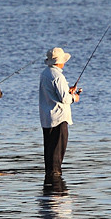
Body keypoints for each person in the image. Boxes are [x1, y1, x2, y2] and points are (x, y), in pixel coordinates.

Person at [39, 47, 80, 179]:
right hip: (59, 117)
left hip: (47, 117)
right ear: (60, 61)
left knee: (49, 150)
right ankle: (55, 179)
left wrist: (68, 90)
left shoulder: (45, 73)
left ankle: (50, 176)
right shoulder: (58, 76)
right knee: (57, 150)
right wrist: (74, 97)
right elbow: (64, 99)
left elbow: (54, 93)